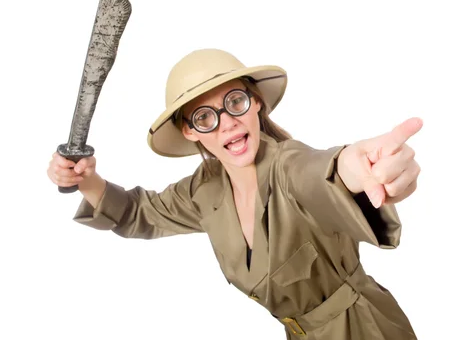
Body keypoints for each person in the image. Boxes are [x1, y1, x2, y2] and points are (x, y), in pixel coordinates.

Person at [47, 48, 422, 339]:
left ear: (256, 102)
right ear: (190, 132)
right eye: (205, 116)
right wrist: (86, 180)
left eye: (235, 102)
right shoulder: (204, 189)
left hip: (368, 330)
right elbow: (138, 213)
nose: (227, 123)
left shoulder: (289, 164)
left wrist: (357, 169)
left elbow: (321, 174)